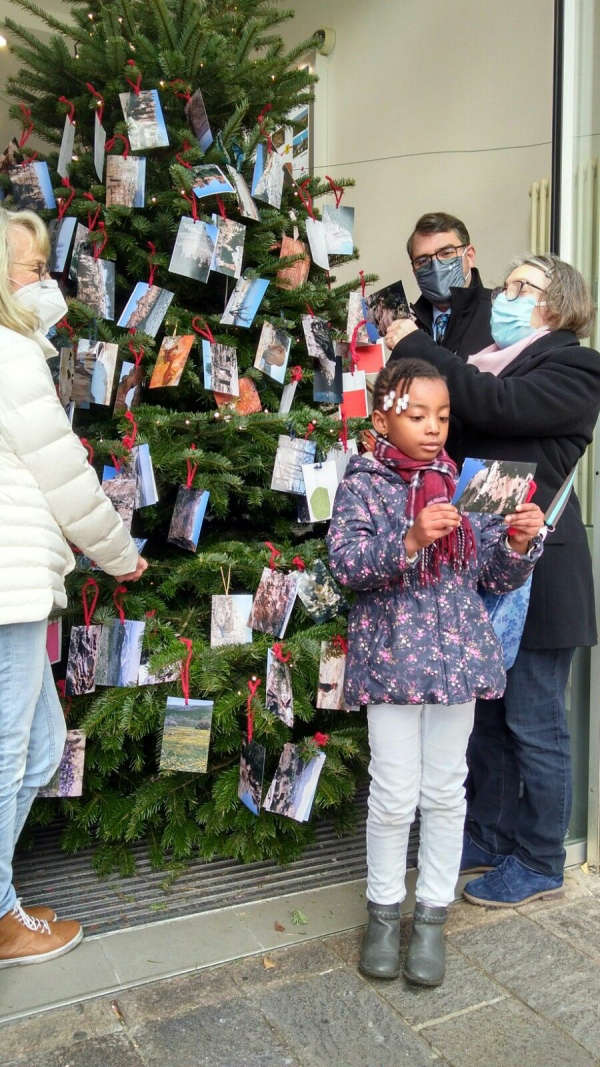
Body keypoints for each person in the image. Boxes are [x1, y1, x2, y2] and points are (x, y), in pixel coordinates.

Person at [385, 253, 600, 907]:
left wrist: (416, 342)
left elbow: (497, 409)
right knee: (488, 718)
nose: (504, 297)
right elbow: (460, 415)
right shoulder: (489, 366)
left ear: (556, 304)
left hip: (542, 568)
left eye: (518, 287)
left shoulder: (576, 367)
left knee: (535, 719)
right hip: (486, 562)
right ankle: (486, 832)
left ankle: (540, 858)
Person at [326, 359, 543, 986]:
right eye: (417, 415)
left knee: (447, 790)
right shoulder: (363, 483)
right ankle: (383, 912)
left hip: (456, 665)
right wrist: (412, 539)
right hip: (392, 662)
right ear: (384, 415)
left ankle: (431, 917)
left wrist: (517, 546)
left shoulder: (464, 483)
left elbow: (488, 581)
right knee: (394, 794)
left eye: (442, 416)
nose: (432, 428)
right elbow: (347, 566)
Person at [0, 207, 148, 968]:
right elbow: (67, 478)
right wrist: (120, 555)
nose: (49, 284)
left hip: (18, 584)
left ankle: (4, 899)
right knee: (11, 748)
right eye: (34, 269)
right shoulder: (10, 355)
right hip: (9, 586)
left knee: (41, 743)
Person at [407, 211, 493, 357]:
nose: (435, 266)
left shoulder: (500, 314)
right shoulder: (410, 327)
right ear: (415, 272)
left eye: (446, 253)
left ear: (470, 256)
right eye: (422, 261)